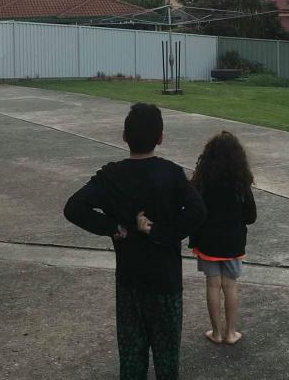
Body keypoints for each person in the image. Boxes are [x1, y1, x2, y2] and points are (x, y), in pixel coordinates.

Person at [64, 102, 205, 380]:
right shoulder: (172, 174)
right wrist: (159, 232)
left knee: (131, 359)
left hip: (130, 282)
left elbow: (74, 208)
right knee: (167, 361)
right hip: (166, 283)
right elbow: (198, 211)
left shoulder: (111, 176)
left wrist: (112, 227)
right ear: (161, 138)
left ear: (124, 136)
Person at [188, 130, 257, 345]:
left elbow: (193, 210)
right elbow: (251, 216)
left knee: (212, 285)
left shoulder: (201, 181)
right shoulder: (240, 184)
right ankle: (231, 332)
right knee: (230, 285)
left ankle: (216, 332)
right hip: (233, 243)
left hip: (208, 242)